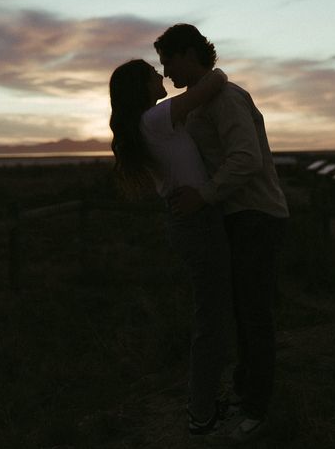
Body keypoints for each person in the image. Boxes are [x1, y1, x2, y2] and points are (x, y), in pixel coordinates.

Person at [154, 24, 289, 443]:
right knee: (242, 313)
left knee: (253, 314)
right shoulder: (200, 103)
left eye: (168, 59)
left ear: (189, 53)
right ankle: (248, 394)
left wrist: (205, 195)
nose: (165, 70)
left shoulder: (227, 99)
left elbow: (246, 158)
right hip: (233, 216)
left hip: (254, 214)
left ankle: (257, 410)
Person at [109, 59, 232, 436]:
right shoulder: (155, 119)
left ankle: (206, 401)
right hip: (194, 223)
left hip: (193, 220)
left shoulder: (152, 122)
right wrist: (213, 71)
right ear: (142, 87)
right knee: (212, 319)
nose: (161, 77)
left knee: (213, 314)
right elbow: (213, 84)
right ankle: (200, 413)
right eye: (154, 74)